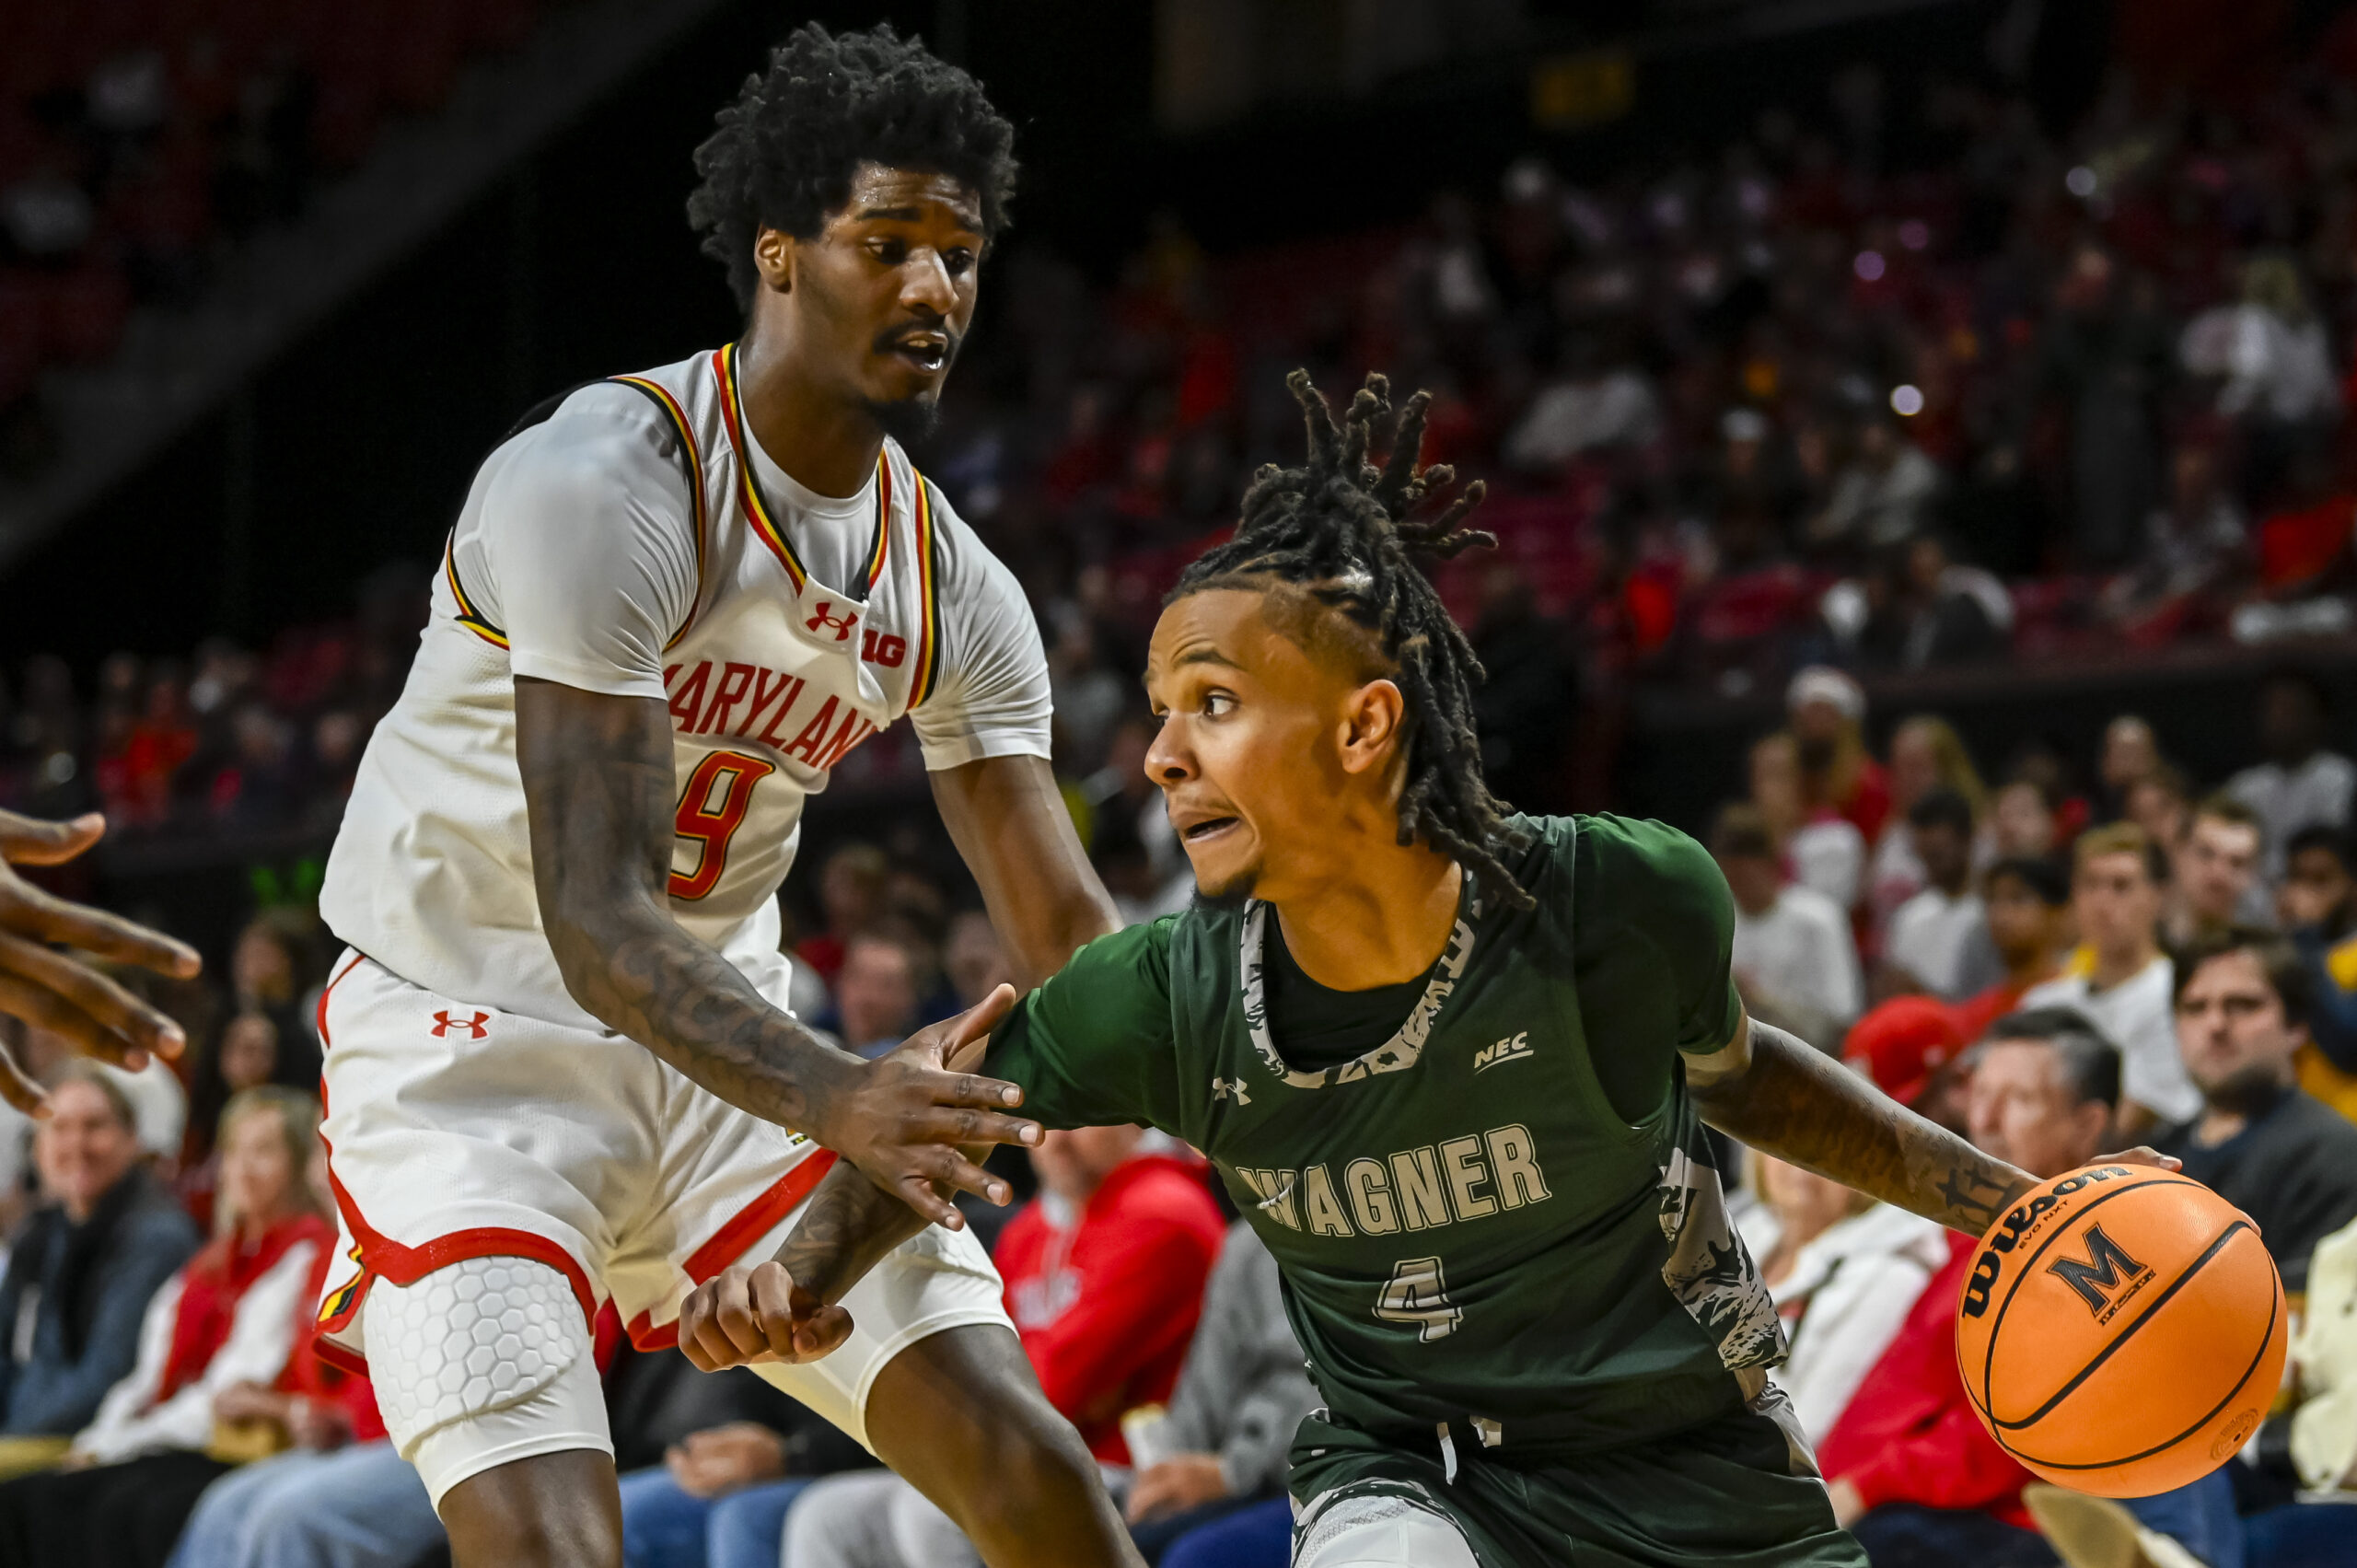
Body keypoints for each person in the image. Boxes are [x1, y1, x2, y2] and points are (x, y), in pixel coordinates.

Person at [680, 374, 2171, 1568]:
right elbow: (937, 1107)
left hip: (1696, 1470)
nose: (1162, 754)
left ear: (1363, 725)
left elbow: (1737, 1071)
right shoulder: (1167, 991)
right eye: (1159, 708)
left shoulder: (1616, 897)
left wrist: (2011, 1201)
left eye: (1212, 702)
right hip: (1417, 1478)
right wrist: (802, 1276)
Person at [308, 25, 1133, 1568]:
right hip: (470, 1043)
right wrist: (845, 1096)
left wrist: (1259, 1057)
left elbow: (1072, 947)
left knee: (1038, 1481)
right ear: (779, 253)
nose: (935, 287)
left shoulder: (954, 581)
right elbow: (598, 920)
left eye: (960, 255)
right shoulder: (603, 481)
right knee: (554, 1550)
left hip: (727, 1053)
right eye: (888, 242)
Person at [776, 1124, 1225, 1568]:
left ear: (1133, 1119)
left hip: (1130, 1468)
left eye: (1081, 1121)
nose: (1057, 1141)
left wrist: (1031, 1374)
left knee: (935, 1518)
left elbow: (1053, 1386)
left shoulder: (1164, 1209)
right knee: (826, 1517)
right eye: (1046, 1123)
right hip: (1024, 1447)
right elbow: (991, 1369)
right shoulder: (1029, 1230)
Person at [0, 1088, 332, 1568]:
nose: (242, 1168)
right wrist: (102, 1441)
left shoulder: (303, 1256)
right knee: (44, 1503)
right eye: (233, 1151)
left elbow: (224, 1391)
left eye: (264, 1152)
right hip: (163, 1435)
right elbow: (145, 1378)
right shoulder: (209, 1261)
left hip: (227, 1443)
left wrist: (115, 1445)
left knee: (115, 1510)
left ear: (300, 1164)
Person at [0, 1068, 199, 1440]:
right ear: (38, 1146)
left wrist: (12, 1436)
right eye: (59, 1128)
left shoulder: (156, 1238)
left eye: (94, 1126)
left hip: (94, 1442)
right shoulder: (40, 1233)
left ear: (132, 1138)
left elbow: (109, 1380)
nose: (77, 1144)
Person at [2155, 928, 2357, 1294]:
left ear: (2296, 1027)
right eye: (2195, 1008)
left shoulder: (2337, 1154)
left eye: (2243, 1005)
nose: (2215, 1025)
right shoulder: (2152, 1153)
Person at [1122, 1223, 1317, 1567]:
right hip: (1241, 1477)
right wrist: (1166, 1476)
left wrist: (1234, 1473)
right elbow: (1203, 1393)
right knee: (1099, 1538)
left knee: (1195, 1558)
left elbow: (1351, 1401)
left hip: (1323, 1479)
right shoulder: (1247, 1243)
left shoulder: (1386, 1237)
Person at [1741, 1152, 1945, 1446]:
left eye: (1827, 1142)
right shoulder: (1735, 1233)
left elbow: (1805, 1432)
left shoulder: (1891, 1276)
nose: (1802, 1159)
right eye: (1784, 1136)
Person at [2021, 824, 2202, 1133]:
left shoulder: (2180, 995)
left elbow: (2133, 1123)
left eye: (2121, 886)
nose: (2102, 902)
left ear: (2158, 898)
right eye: (2090, 885)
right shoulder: (2042, 1002)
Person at [1714, 802, 1864, 1045]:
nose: (1739, 881)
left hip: (1812, 1058)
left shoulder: (1819, 918)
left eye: (1745, 870)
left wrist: (1758, 1000)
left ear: (1772, 863)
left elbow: (1841, 1019)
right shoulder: (1716, 923)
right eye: (1731, 872)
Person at [2226, 671, 2354, 892]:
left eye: (2290, 710)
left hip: (2316, 889)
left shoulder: (2341, 777)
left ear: (2317, 717)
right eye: (2272, 710)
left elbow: (2329, 849)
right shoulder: (2245, 786)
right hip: (2251, 893)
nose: (2279, 719)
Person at [1866, 716, 1987, 940]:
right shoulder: (1890, 834)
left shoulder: (1979, 833)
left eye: (1917, 767)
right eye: (1899, 767)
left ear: (1947, 768)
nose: (1907, 778)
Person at [2276, 824, 2357, 1121]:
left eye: (2321, 879)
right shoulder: (2279, 955)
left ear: (2352, 885)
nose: (2305, 892)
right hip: (2294, 1127)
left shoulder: (2305, 952)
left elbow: (2348, 1047)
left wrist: (2305, 934)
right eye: (2297, 878)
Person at [1882, 788, 1996, 1000]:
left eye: (1937, 854)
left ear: (1967, 840)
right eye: (1923, 855)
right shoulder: (1910, 916)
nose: (1929, 866)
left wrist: (1922, 993)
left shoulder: (1991, 915)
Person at [1951, 856, 2073, 1042]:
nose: (2000, 914)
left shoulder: (2074, 1000)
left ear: (2057, 914)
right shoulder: (1976, 1012)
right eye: (1992, 900)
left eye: (2018, 899)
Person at [2165, 795, 2264, 947]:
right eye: (2206, 854)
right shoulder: (2137, 941)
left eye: (2237, 863)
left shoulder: (2265, 954)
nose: (2219, 874)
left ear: (2253, 874)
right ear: (2178, 854)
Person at [827, 934, 922, 1058]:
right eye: (857, 978)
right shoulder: (818, 1043)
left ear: (910, 998)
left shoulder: (912, 1063)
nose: (867, 996)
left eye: (886, 985)